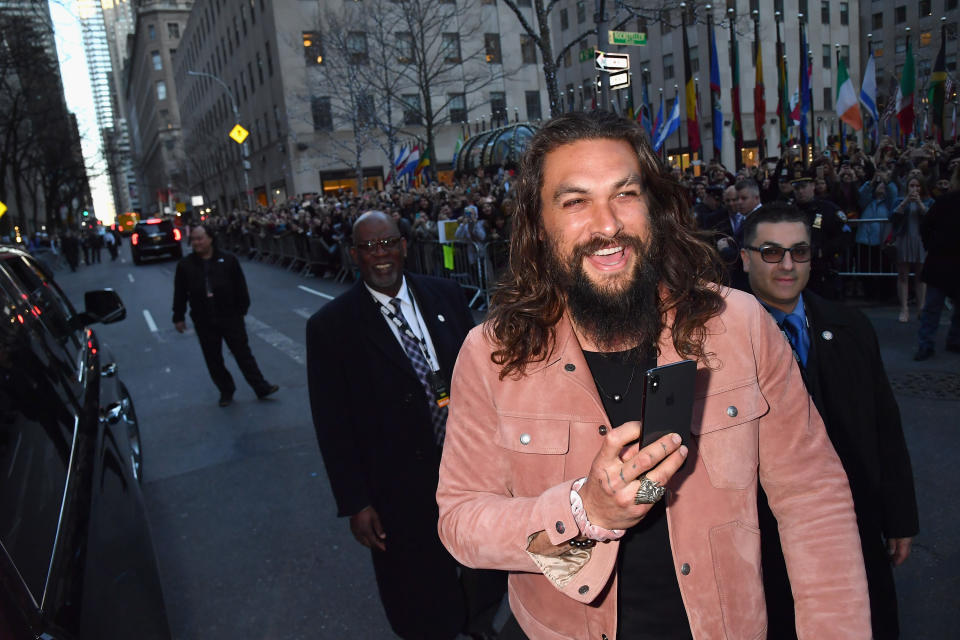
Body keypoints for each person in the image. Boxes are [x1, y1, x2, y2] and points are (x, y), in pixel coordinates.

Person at [436, 111, 869, 640]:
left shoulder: (739, 326)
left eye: (625, 194)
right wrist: (582, 512)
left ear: (655, 206)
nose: (608, 225)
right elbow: (460, 521)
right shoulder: (491, 354)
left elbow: (813, 497)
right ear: (539, 226)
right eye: (575, 202)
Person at [306, 211, 504, 640]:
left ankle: (479, 621)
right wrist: (356, 502)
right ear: (355, 254)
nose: (381, 255)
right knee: (417, 580)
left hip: (467, 464)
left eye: (388, 243)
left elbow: (479, 376)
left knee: (481, 556)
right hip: (395, 481)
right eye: (369, 247)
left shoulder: (447, 296)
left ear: (404, 246)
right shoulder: (331, 327)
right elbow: (332, 424)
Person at [740, 202, 919, 640]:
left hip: (854, 524)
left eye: (799, 252)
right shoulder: (717, 338)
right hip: (765, 538)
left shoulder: (851, 326)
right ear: (744, 257)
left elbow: (884, 424)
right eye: (771, 252)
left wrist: (899, 517)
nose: (787, 265)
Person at [172, 225, 278, 406]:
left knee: (243, 353)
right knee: (213, 358)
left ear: (210, 238)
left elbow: (240, 287)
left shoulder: (228, 260)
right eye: (194, 239)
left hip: (230, 315)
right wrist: (178, 316)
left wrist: (241, 310)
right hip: (203, 318)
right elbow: (180, 293)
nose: (197, 243)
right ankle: (226, 391)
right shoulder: (185, 265)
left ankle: (261, 387)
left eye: (200, 238)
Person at [914, 165, 960, 360]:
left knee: (941, 307)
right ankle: (927, 343)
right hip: (941, 260)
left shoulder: (944, 201)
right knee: (933, 306)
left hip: (943, 260)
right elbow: (926, 227)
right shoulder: (945, 202)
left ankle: (952, 339)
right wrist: (931, 246)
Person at [890, 176, 933, 322]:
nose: (914, 189)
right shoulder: (899, 200)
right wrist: (906, 201)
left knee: (921, 275)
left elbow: (931, 218)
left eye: (917, 186)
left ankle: (921, 308)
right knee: (903, 274)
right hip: (904, 238)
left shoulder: (928, 201)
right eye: (911, 185)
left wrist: (920, 203)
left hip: (921, 240)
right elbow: (893, 217)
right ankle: (904, 308)